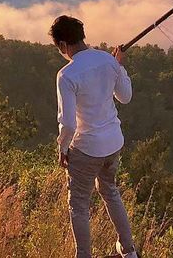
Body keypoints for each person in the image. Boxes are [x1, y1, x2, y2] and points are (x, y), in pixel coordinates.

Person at [50, 14, 138, 258]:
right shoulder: (108, 61)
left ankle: (83, 255)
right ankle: (129, 250)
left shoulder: (66, 75)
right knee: (110, 191)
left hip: (87, 147)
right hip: (113, 143)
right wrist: (119, 66)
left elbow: (68, 123)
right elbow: (125, 96)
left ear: (63, 45)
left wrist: (63, 148)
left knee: (78, 203)